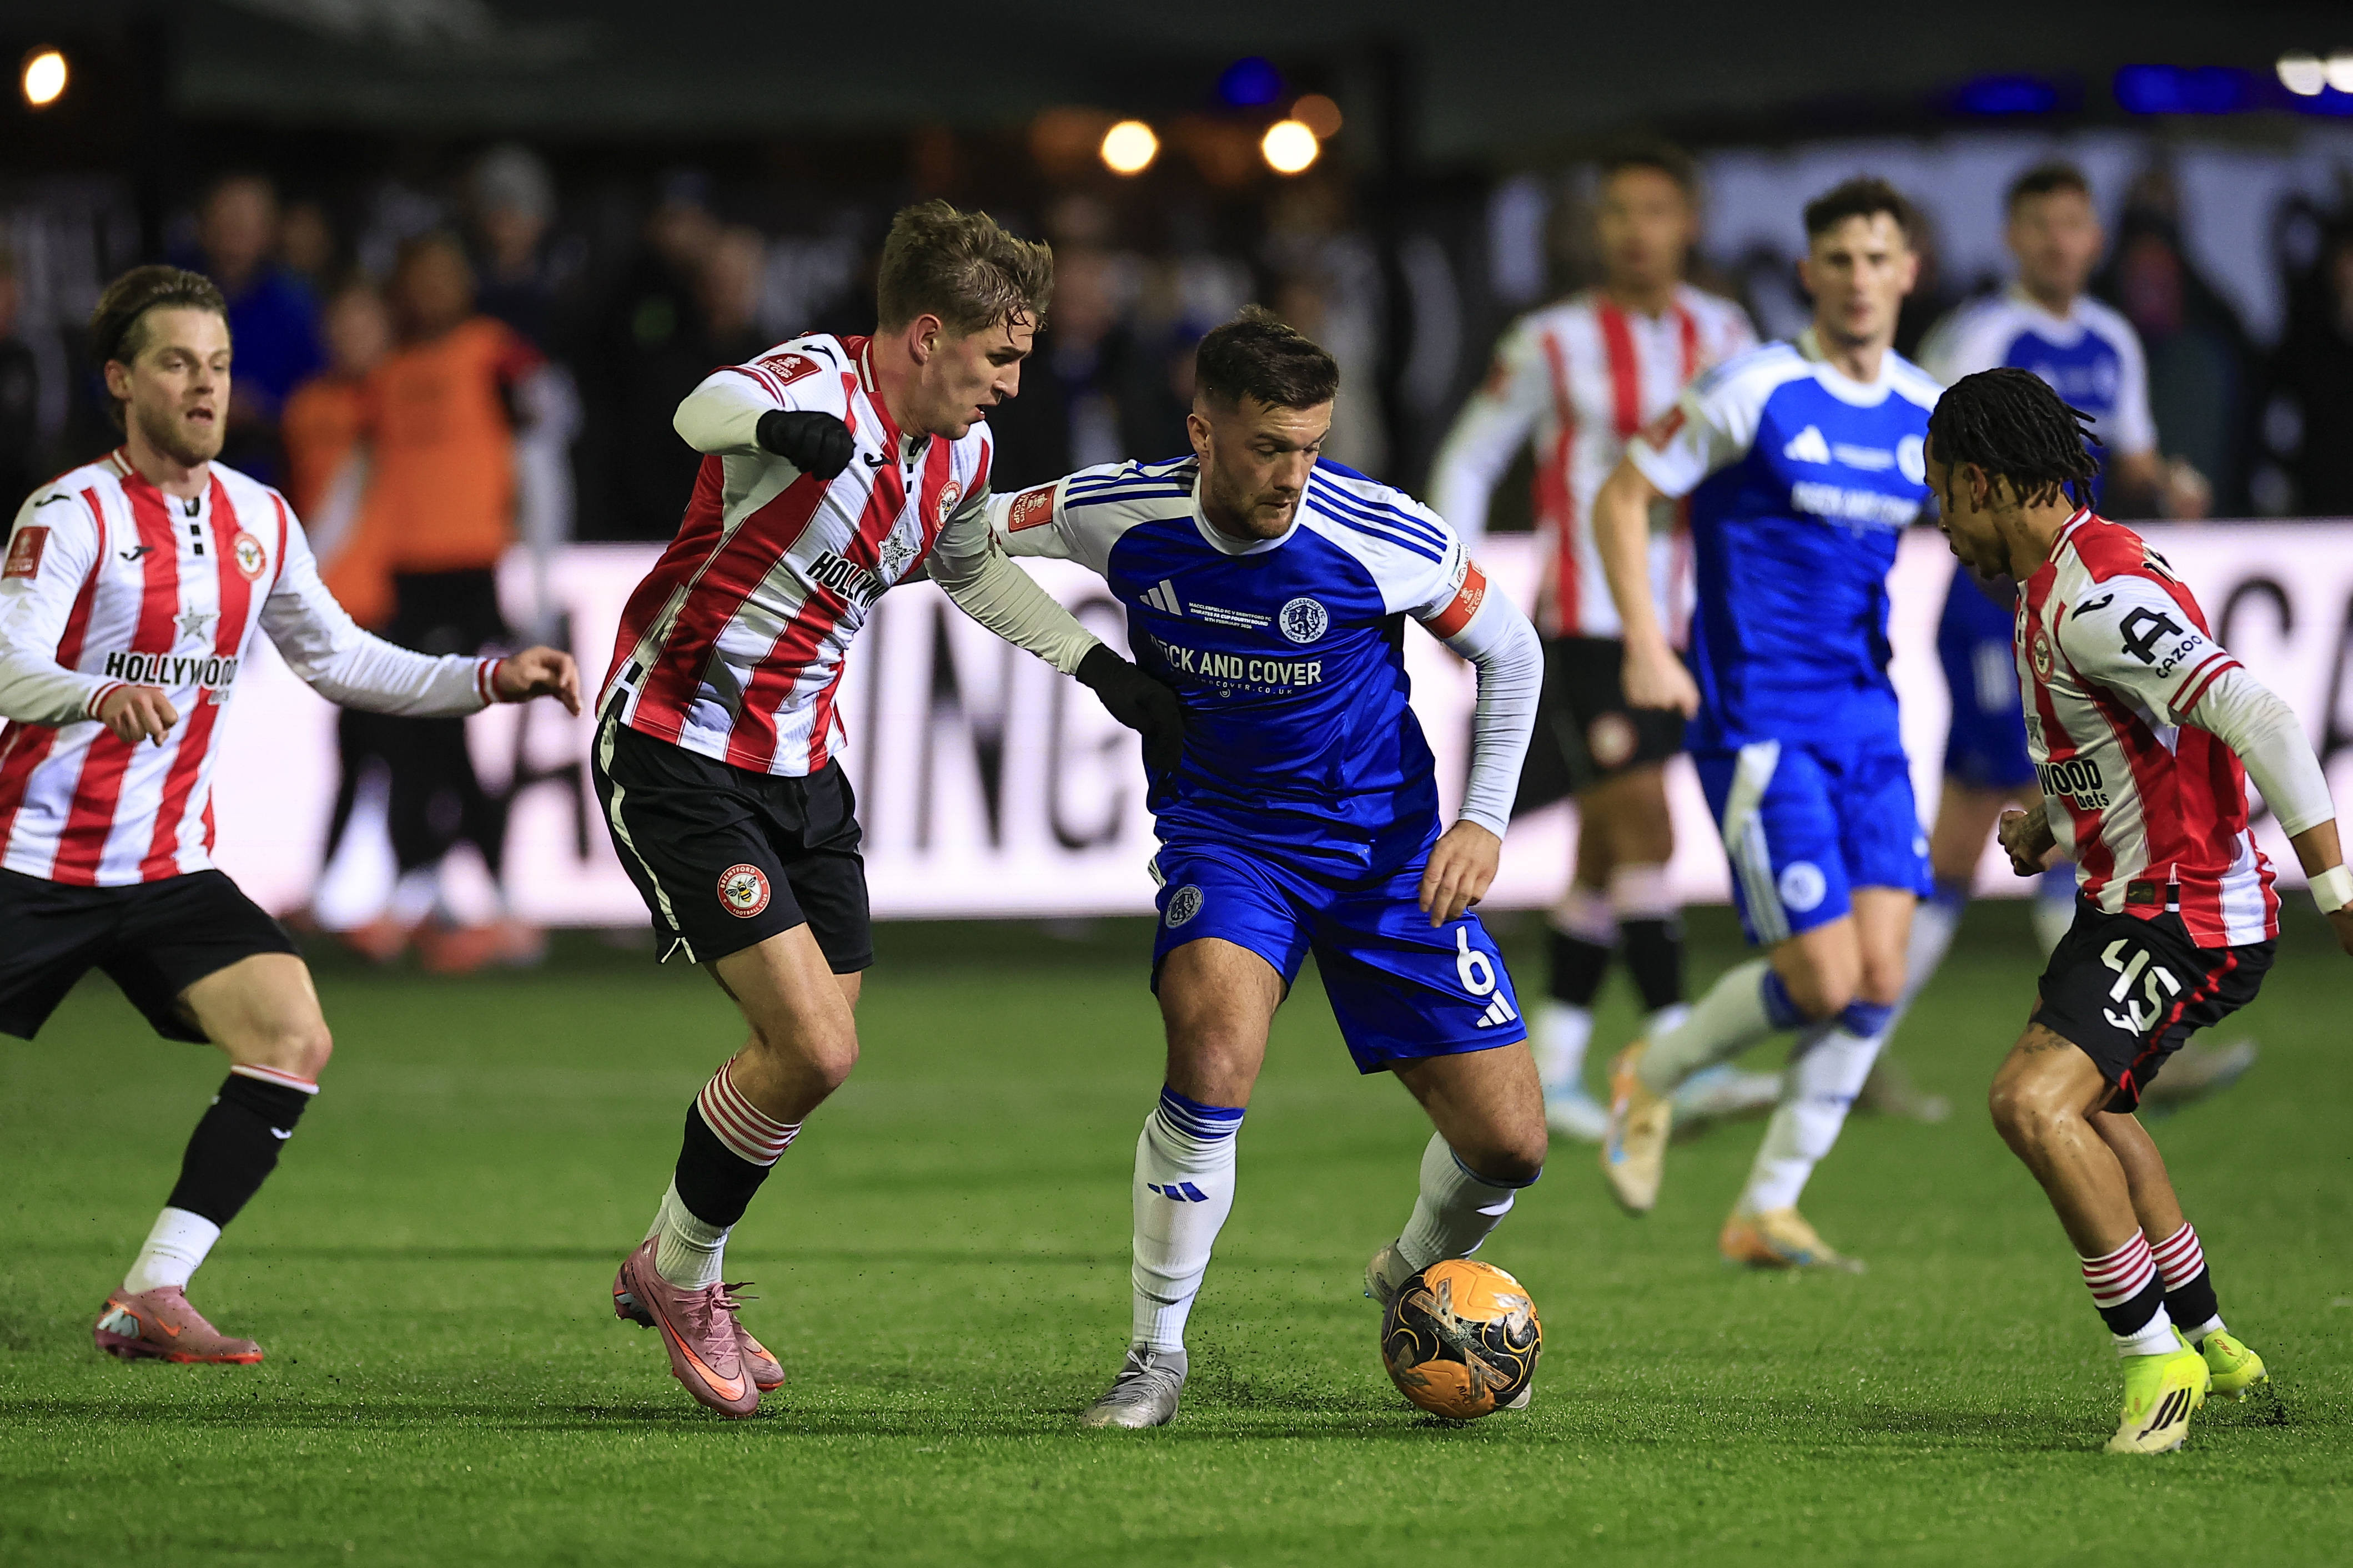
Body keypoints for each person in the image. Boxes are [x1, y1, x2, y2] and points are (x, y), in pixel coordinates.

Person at [594, 200, 1181, 1418]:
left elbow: (968, 567)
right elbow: (696, 409)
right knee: (815, 1045)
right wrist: (773, 427)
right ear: (927, 334)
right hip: (678, 742)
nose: (1013, 382)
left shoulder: (958, 454)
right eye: (1000, 355)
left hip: (807, 768)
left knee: (806, 1058)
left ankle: (671, 1261)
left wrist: (1098, 668)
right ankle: (685, 1276)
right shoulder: (812, 381)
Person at [0, 265, 577, 1364]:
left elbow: (342, 657)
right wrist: (93, 692)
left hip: (163, 868)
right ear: (121, 380)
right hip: (25, 854)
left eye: (217, 365)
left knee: (291, 1031)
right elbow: (5, 657)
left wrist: (488, 677)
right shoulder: (70, 511)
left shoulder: (255, 518)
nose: (205, 386)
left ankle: (152, 1292)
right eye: (177, 363)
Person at [991, 307, 1546, 1429]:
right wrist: (1094, 666)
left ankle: (1410, 1277)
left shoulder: (1379, 530)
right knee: (1212, 1046)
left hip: (1389, 854)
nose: (1293, 471)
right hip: (1229, 837)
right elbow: (962, 534)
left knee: (1509, 1142)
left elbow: (1512, 647)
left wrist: (1482, 821)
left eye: (1310, 443)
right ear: (1202, 433)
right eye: (1266, 446)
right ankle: (1155, 1356)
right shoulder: (1116, 510)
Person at [1928, 366, 2342, 1452]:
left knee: (2032, 1101)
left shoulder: (2093, 597)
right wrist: (2050, 827)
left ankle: (2151, 1359)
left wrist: (2338, 888)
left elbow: (2256, 712)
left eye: (1942, 497)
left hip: (2182, 911)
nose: (1942, 526)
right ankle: (2210, 1340)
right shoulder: (2061, 581)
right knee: (2099, 1108)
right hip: (2138, 898)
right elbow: (2137, 749)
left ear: (1981, 482)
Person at [1592, 178, 1938, 1270]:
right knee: (1826, 978)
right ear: (1809, 273)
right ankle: (1652, 1068)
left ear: (1907, 272)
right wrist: (1647, 642)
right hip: (1757, 717)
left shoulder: (1924, 411)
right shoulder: (1753, 387)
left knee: (1882, 975)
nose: (1856, 277)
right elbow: (1621, 494)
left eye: (1876, 258)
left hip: (1867, 717)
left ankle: (1767, 1204)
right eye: (1836, 258)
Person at [1429, 140, 1763, 1142]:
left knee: (1601, 847)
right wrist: (1455, 590)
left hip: (1683, 619)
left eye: (1655, 211)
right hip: (1581, 621)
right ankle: (1674, 1053)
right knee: (1643, 827)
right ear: (1596, 229)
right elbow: (1469, 455)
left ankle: (1562, 1068)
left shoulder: (1727, 332)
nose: (1635, 230)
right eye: (1618, 212)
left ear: (1688, 223)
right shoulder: (1550, 341)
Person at [1902, 165, 2241, 1113]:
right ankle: (1855, 1044)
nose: (2058, 241)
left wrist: (2168, 481)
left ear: (2093, 239)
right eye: (2039, 225)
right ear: (2012, 237)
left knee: (2069, 814)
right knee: (1978, 820)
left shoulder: (2110, 339)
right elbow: (1921, 450)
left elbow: (2123, 453)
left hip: (2068, 601)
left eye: (2072, 224)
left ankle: (2099, 1045)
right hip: (1985, 606)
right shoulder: (1978, 334)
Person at [342, 234, 551, 973]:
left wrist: (542, 570)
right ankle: (445, 899)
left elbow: (542, 453)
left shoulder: (495, 354)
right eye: (419, 278)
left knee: (446, 740)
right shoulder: (389, 374)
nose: (431, 291)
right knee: (420, 742)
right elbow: (362, 478)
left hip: (467, 570)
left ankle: (471, 900)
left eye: (443, 276)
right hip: (406, 575)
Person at [179, 174, 324, 486]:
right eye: (226, 217)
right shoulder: (164, 295)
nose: (235, 230)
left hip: (267, 472)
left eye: (248, 220)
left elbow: (325, 394)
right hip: (172, 471)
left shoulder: (296, 306)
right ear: (202, 224)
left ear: (271, 230)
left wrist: (264, 409)